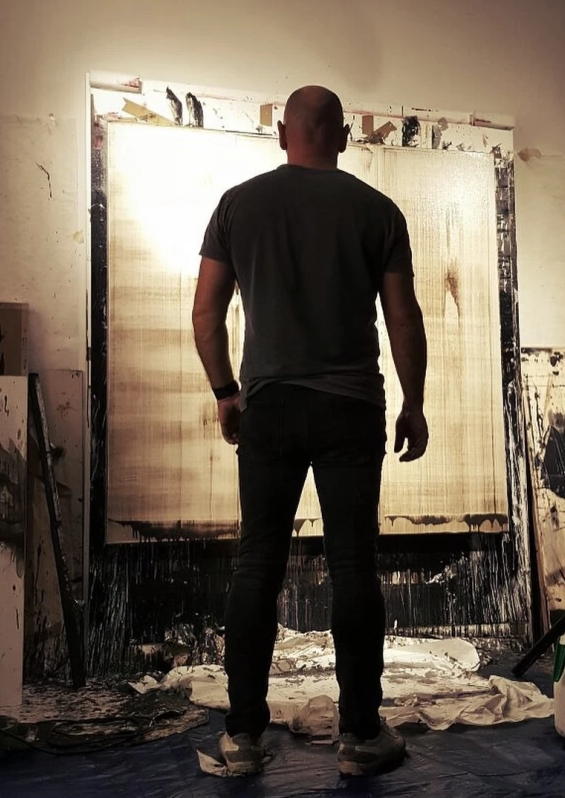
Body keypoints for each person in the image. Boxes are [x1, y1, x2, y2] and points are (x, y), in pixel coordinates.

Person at [192, 85, 428, 778]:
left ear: (282, 134)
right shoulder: (377, 211)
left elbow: (206, 313)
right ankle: (360, 736)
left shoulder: (238, 205)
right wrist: (414, 403)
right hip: (350, 407)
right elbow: (404, 317)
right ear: (344, 136)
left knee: (256, 564)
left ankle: (242, 737)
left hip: (268, 406)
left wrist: (226, 392)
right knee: (354, 564)